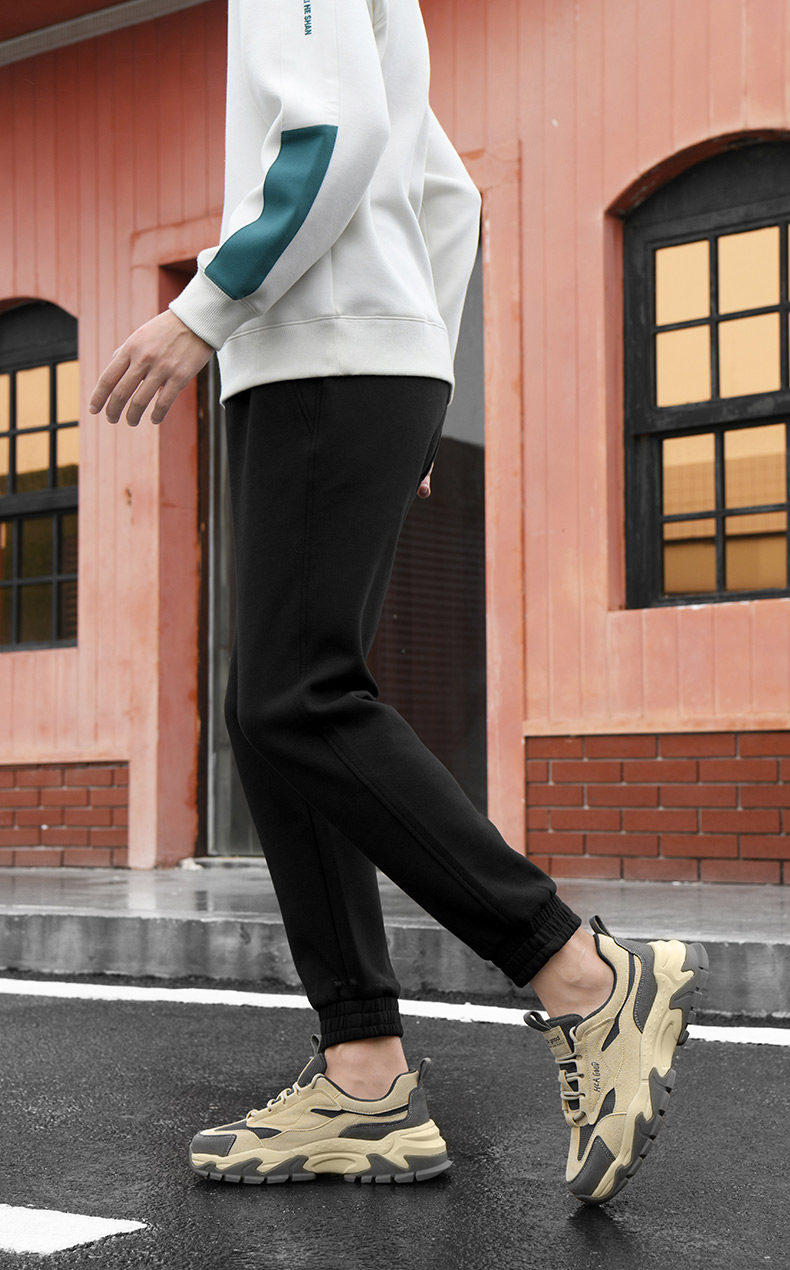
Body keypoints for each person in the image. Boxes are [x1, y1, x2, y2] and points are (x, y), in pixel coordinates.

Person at [89, 0, 708, 1205]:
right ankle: (363, 1074)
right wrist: (421, 361)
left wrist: (199, 309)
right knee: (272, 712)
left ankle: (580, 975)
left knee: (297, 698)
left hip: (321, 350)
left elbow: (331, 136)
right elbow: (445, 195)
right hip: (351, 355)